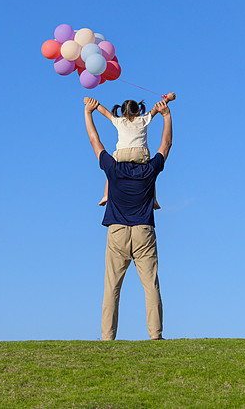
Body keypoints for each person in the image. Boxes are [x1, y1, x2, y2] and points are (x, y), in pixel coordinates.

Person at [83, 95, 173, 341]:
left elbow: (95, 141)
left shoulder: (112, 168)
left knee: (111, 287)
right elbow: (165, 146)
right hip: (144, 230)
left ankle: (107, 338)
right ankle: (156, 336)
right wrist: (166, 116)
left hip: (117, 232)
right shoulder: (148, 169)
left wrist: (89, 114)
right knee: (151, 286)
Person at [93, 92, 176, 208]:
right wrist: (168, 99)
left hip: (122, 154)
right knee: (151, 175)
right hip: (140, 154)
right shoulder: (143, 119)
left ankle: (106, 195)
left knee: (110, 173)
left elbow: (105, 112)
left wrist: (95, 104)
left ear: (122, 113)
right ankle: (154, 199)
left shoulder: (119, 121)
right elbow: (157, 108)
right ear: (138, 111)